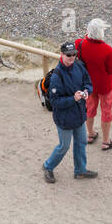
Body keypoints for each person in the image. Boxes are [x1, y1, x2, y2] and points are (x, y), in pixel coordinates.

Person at [42, 41, 97, 183]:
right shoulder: (56, 77)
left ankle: (80, 170)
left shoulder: (79, 65)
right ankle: (48, 166)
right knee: (64, 146)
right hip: (64, 119)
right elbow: (55, 102)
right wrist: (73, 99)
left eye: (74, 54)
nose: (72, 57)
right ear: (61, 55)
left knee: (81, 142)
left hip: (78, 115)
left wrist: (86, 91)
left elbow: (88, 82)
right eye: (68, 55)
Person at [77, 18, 112, 150]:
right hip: (104, 86)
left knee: (90, 108)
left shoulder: (80, 44)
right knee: (106, 111)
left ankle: (90, 134)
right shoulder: (107, 50)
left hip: (88, 84)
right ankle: (106, 141)